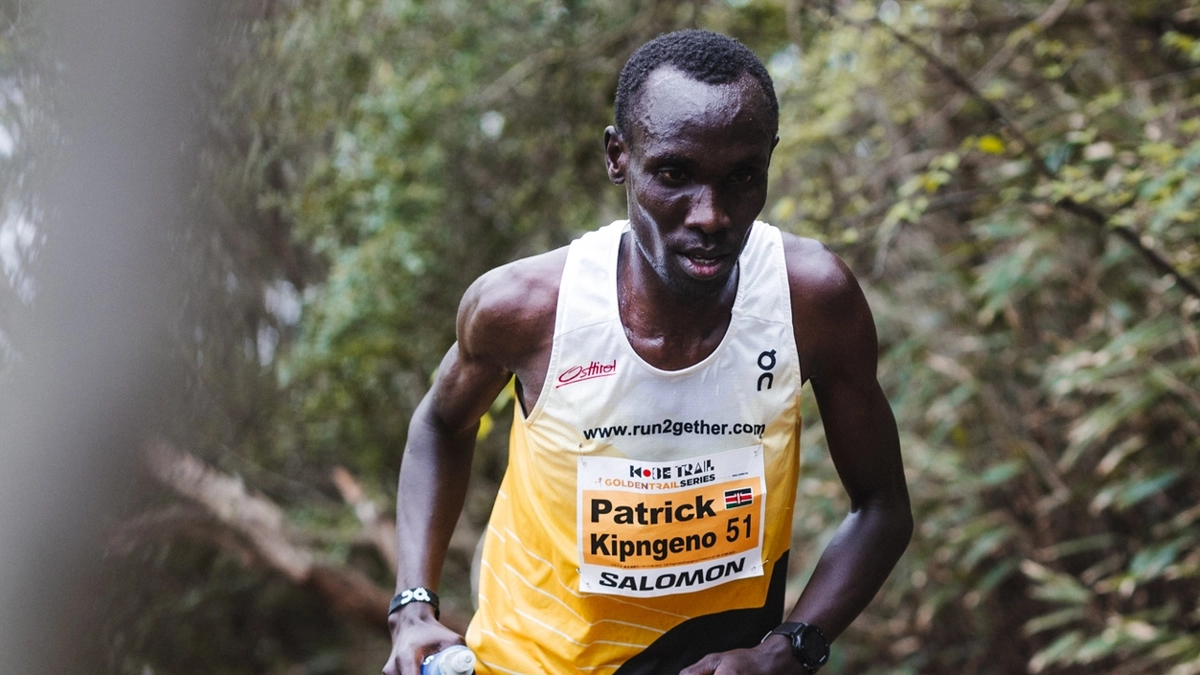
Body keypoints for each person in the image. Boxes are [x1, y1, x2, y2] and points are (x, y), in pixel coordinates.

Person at [382, 29, 912, 675]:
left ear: (769, 161)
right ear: (618, 155)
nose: (711, 215)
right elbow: (440, 423)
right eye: (674, 174)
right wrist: (413, 604)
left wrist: (787, 648)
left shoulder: (810, 301)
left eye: (742, 176)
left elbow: (882, 505)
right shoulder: (526, 307)